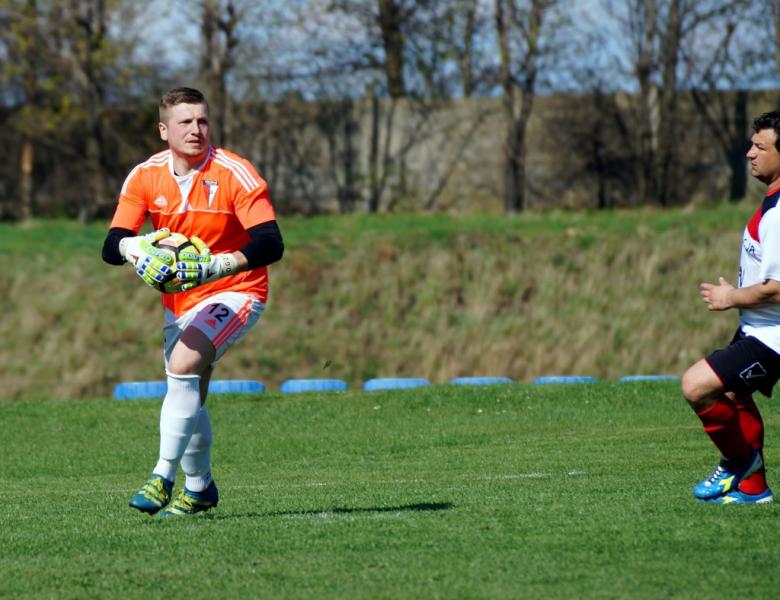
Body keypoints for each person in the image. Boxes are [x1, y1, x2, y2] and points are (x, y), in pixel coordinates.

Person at [102, 86, 284, 516]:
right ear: (164, 130)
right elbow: (112, 245)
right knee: (190, 390)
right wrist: (136, 249)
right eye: (185, 122)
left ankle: (162, 476)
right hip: (180, 304)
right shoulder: (145, 176)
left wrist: (218, 266)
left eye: (202, 120)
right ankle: (200, 488)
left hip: (237, 289)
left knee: (182, 366)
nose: (196, 130)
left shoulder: (234, 172)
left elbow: (271, 243)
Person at [680, 111, 780, 505]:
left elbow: (777, 289)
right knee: (737, 398)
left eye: (760, 147)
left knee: (696, 386)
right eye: (751, 144)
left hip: (773, 338)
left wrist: (731, 298)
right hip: (758, 329)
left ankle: (739, 463)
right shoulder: (772, 200)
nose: (750, 153)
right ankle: (755, 492)